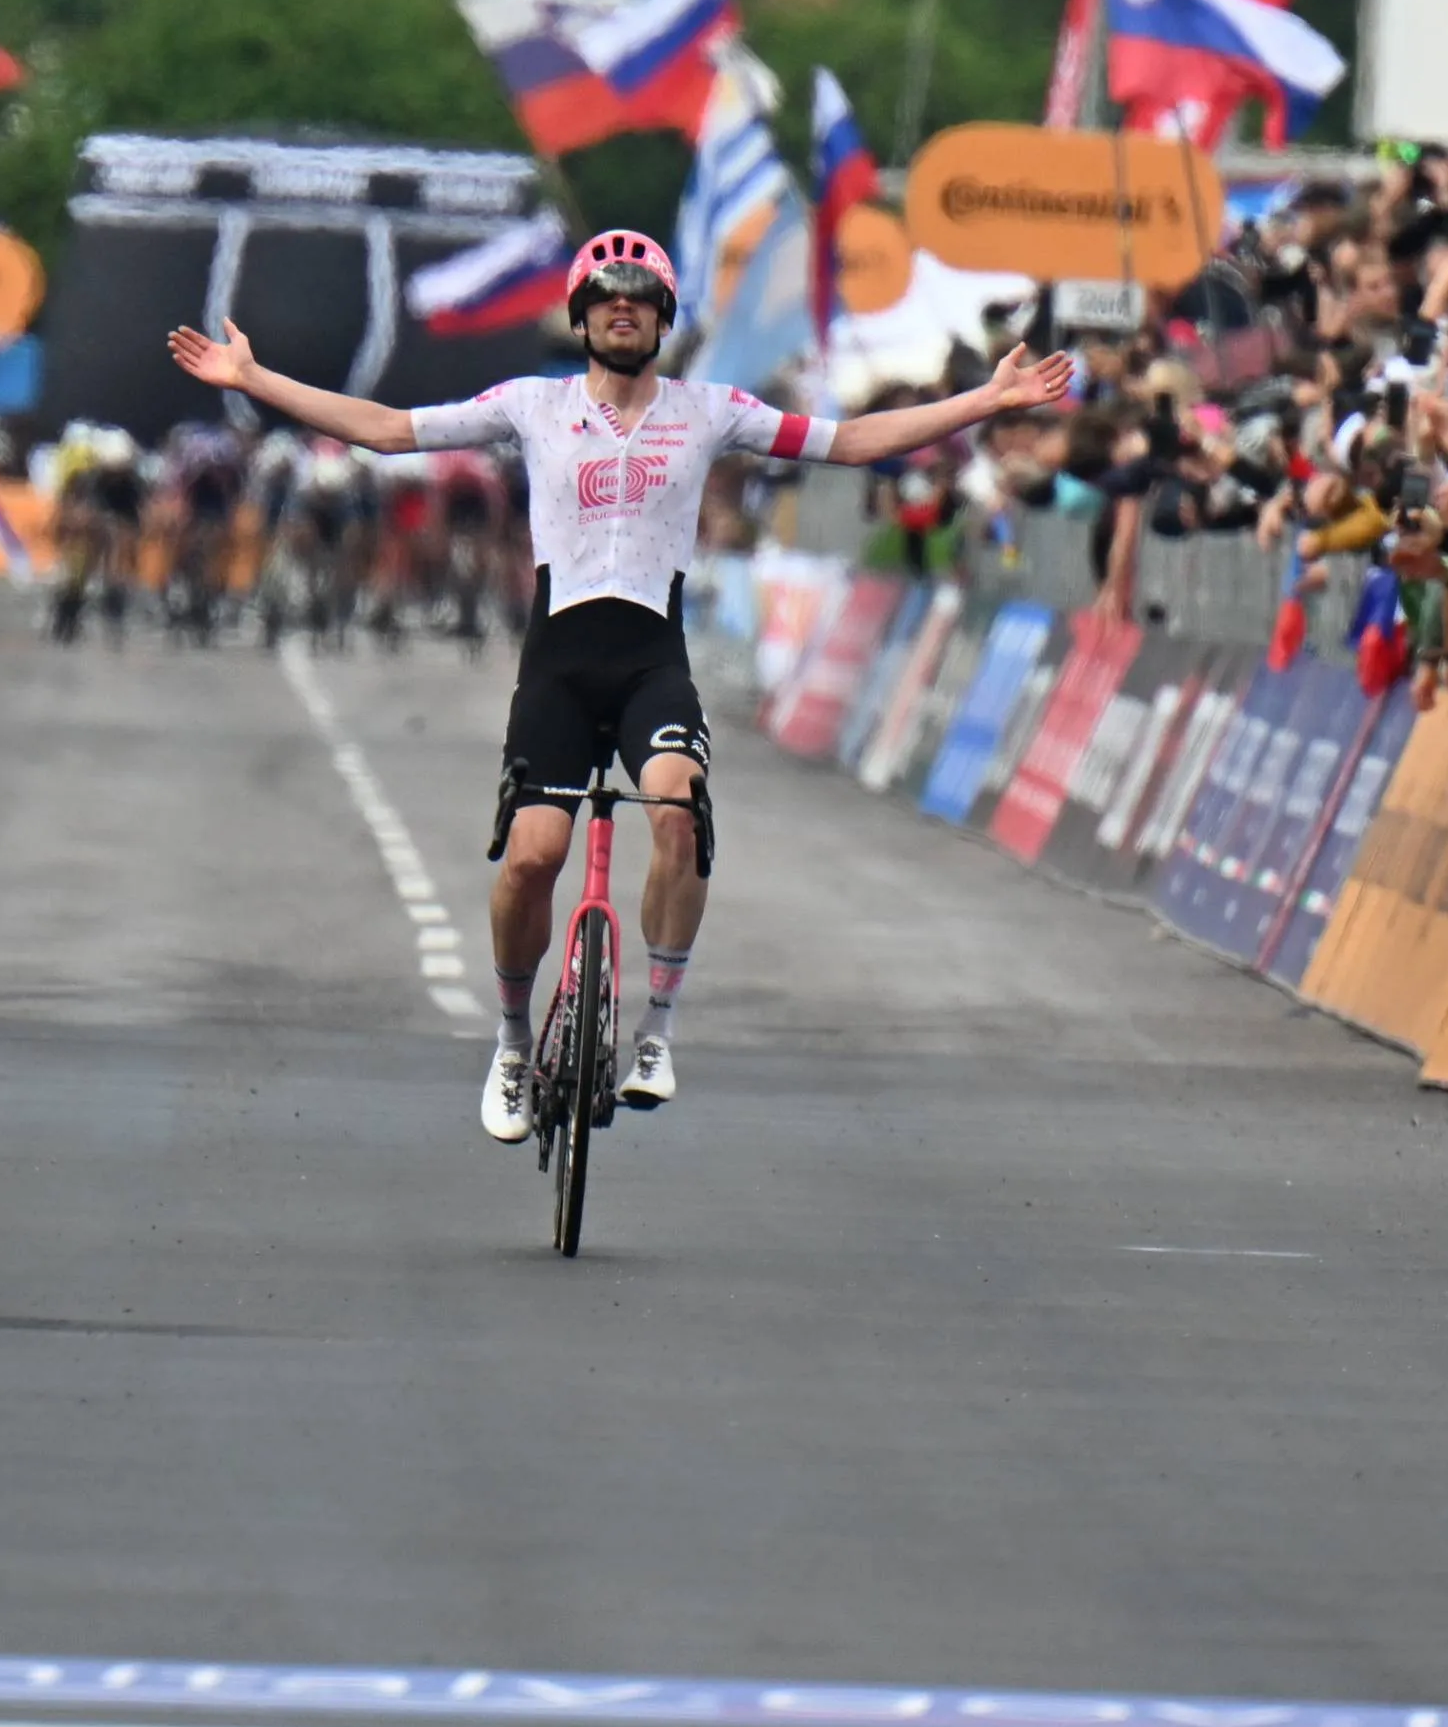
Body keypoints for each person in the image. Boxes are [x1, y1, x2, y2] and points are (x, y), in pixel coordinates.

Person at [167, 229, 1076, 1141]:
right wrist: (256, 381)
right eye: (607, 298)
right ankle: (515, 1043)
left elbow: (851, 442)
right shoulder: (532, 404)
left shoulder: (711, 409)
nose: (624, 311)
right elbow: (388, 430)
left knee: (678, 813)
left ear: (663, 317)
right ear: (581, 314)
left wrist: (987, 401)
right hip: (557, 666)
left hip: (652, 663)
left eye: (641, 300)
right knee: (531, 857)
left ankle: (658, 1031)